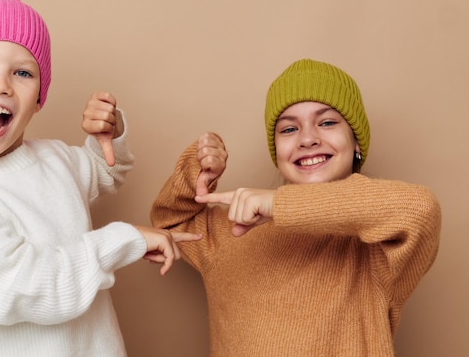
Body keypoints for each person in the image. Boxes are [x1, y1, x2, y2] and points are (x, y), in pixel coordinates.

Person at [0, 0, 201, 357]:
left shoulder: (54, 159)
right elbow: (29, 285)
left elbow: (105, 171)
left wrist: (109, 136)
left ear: (38, 100)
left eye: (21, 72)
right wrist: (123, 240)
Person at [150, 58, 441, 357]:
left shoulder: (376, 246)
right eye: (289, 129)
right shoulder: (232, 229)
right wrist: (196, 172)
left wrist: (278, 203)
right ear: (277, 151)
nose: (307, 139)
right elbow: (170, 223)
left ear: (356, 142)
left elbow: (420, 209)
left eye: (327, 122)